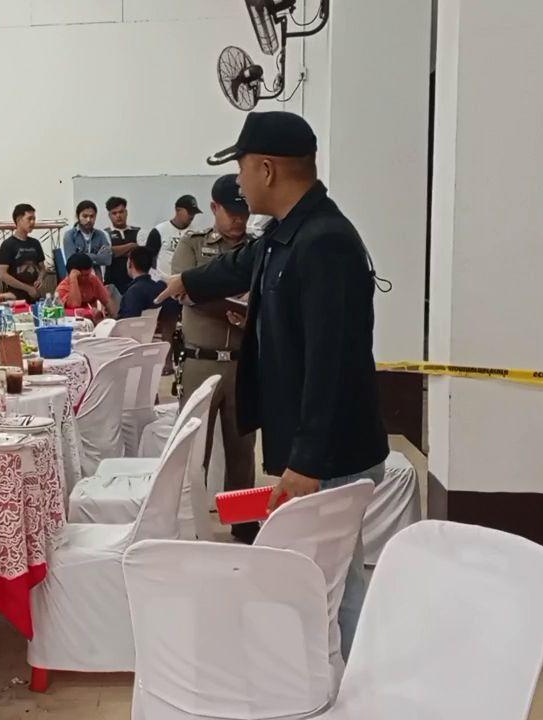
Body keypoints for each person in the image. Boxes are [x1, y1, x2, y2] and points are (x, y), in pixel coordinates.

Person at [158, 111, 389, 659]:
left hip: (330, 455)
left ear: (266, 169)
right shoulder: (287, 234)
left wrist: (307, 462)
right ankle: (340, 676)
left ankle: (356, 680)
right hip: (311, 448)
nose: (238, 182)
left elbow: (333, 363)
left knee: (331, 582)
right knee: (327, 579)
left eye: (241, 168)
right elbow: (238, 266)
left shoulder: (325, 242)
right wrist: (185, 280)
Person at [171, 173, 258, 544]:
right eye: (231, 212)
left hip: (242, 362)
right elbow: (185, 292)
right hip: (200, 361)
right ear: (213, 208)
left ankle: (243, 521)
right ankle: (189, 522)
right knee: (194, 449)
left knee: (243, 449)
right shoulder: (193, 244)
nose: (238, 220)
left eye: (244, 212)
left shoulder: (258, 248)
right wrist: (235, 305)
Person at [146, 195, 202, 280]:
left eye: (194, 213)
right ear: (177, 210)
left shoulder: (196, 234)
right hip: (162, 282)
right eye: (189, 212)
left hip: (185, 283)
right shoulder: (159, 230)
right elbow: (148, 258)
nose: (192, 215)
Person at [0, 203, 46, 301]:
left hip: (34, 295)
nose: (32, 222)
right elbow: (2, 274)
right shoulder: (8, 244)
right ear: (19, 220)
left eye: (34, 219)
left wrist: (40, 279)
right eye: (29, 219)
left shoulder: (35, 243)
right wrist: (27, 288)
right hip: (15, 297)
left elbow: (43, 268)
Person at [61, 200, 112, 280]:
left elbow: (107, 259)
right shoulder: (70, 235)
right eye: (85, 216)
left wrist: (83, 256)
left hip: (96, 280)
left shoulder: (101, 235)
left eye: (92, 216)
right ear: (77, 216)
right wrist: (96, 257)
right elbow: (72, 263)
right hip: (76, 281)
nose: (88, 220)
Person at [56, 252, 111, 322]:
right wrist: (73, 279)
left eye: (89, 273)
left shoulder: (92, 280)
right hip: (70, 323)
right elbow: (74, 304)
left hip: (91, 323)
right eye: (85, 275)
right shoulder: (62, 288)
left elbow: (107, 302)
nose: (89, 277)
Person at [103, 196, 141, 296]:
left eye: (121, 212)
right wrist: (131, 245)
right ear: (109, 215)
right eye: (114, 213)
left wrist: (117, 251)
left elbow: (142, 253)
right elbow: (107, 253)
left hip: (135, 283)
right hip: (112, 284)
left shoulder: (138, 232)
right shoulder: (104, 234)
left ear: (126, 212)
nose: (118, 216)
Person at [116, 246, 166, 320]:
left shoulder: (133, 292)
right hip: (157, 326)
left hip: (133, 326)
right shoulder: (162, 287)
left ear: (130, 263)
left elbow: (126, 322)